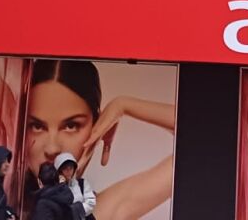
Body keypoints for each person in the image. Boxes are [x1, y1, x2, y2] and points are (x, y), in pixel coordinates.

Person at [24, 59, 176, 220]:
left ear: (95, 127)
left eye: (71, 126)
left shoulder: (99, 213)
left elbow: (194, 141)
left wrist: (122, 106)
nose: (52, 148)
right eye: (37, 126)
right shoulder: (5, 198)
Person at [55, 152, 96, 220]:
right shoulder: (55, 189)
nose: (69, 171)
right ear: (59, 171)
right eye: (65, 168)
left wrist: (75, 211)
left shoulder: (82, 183)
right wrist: (61, 186)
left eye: (71, 168)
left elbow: (91, 203)